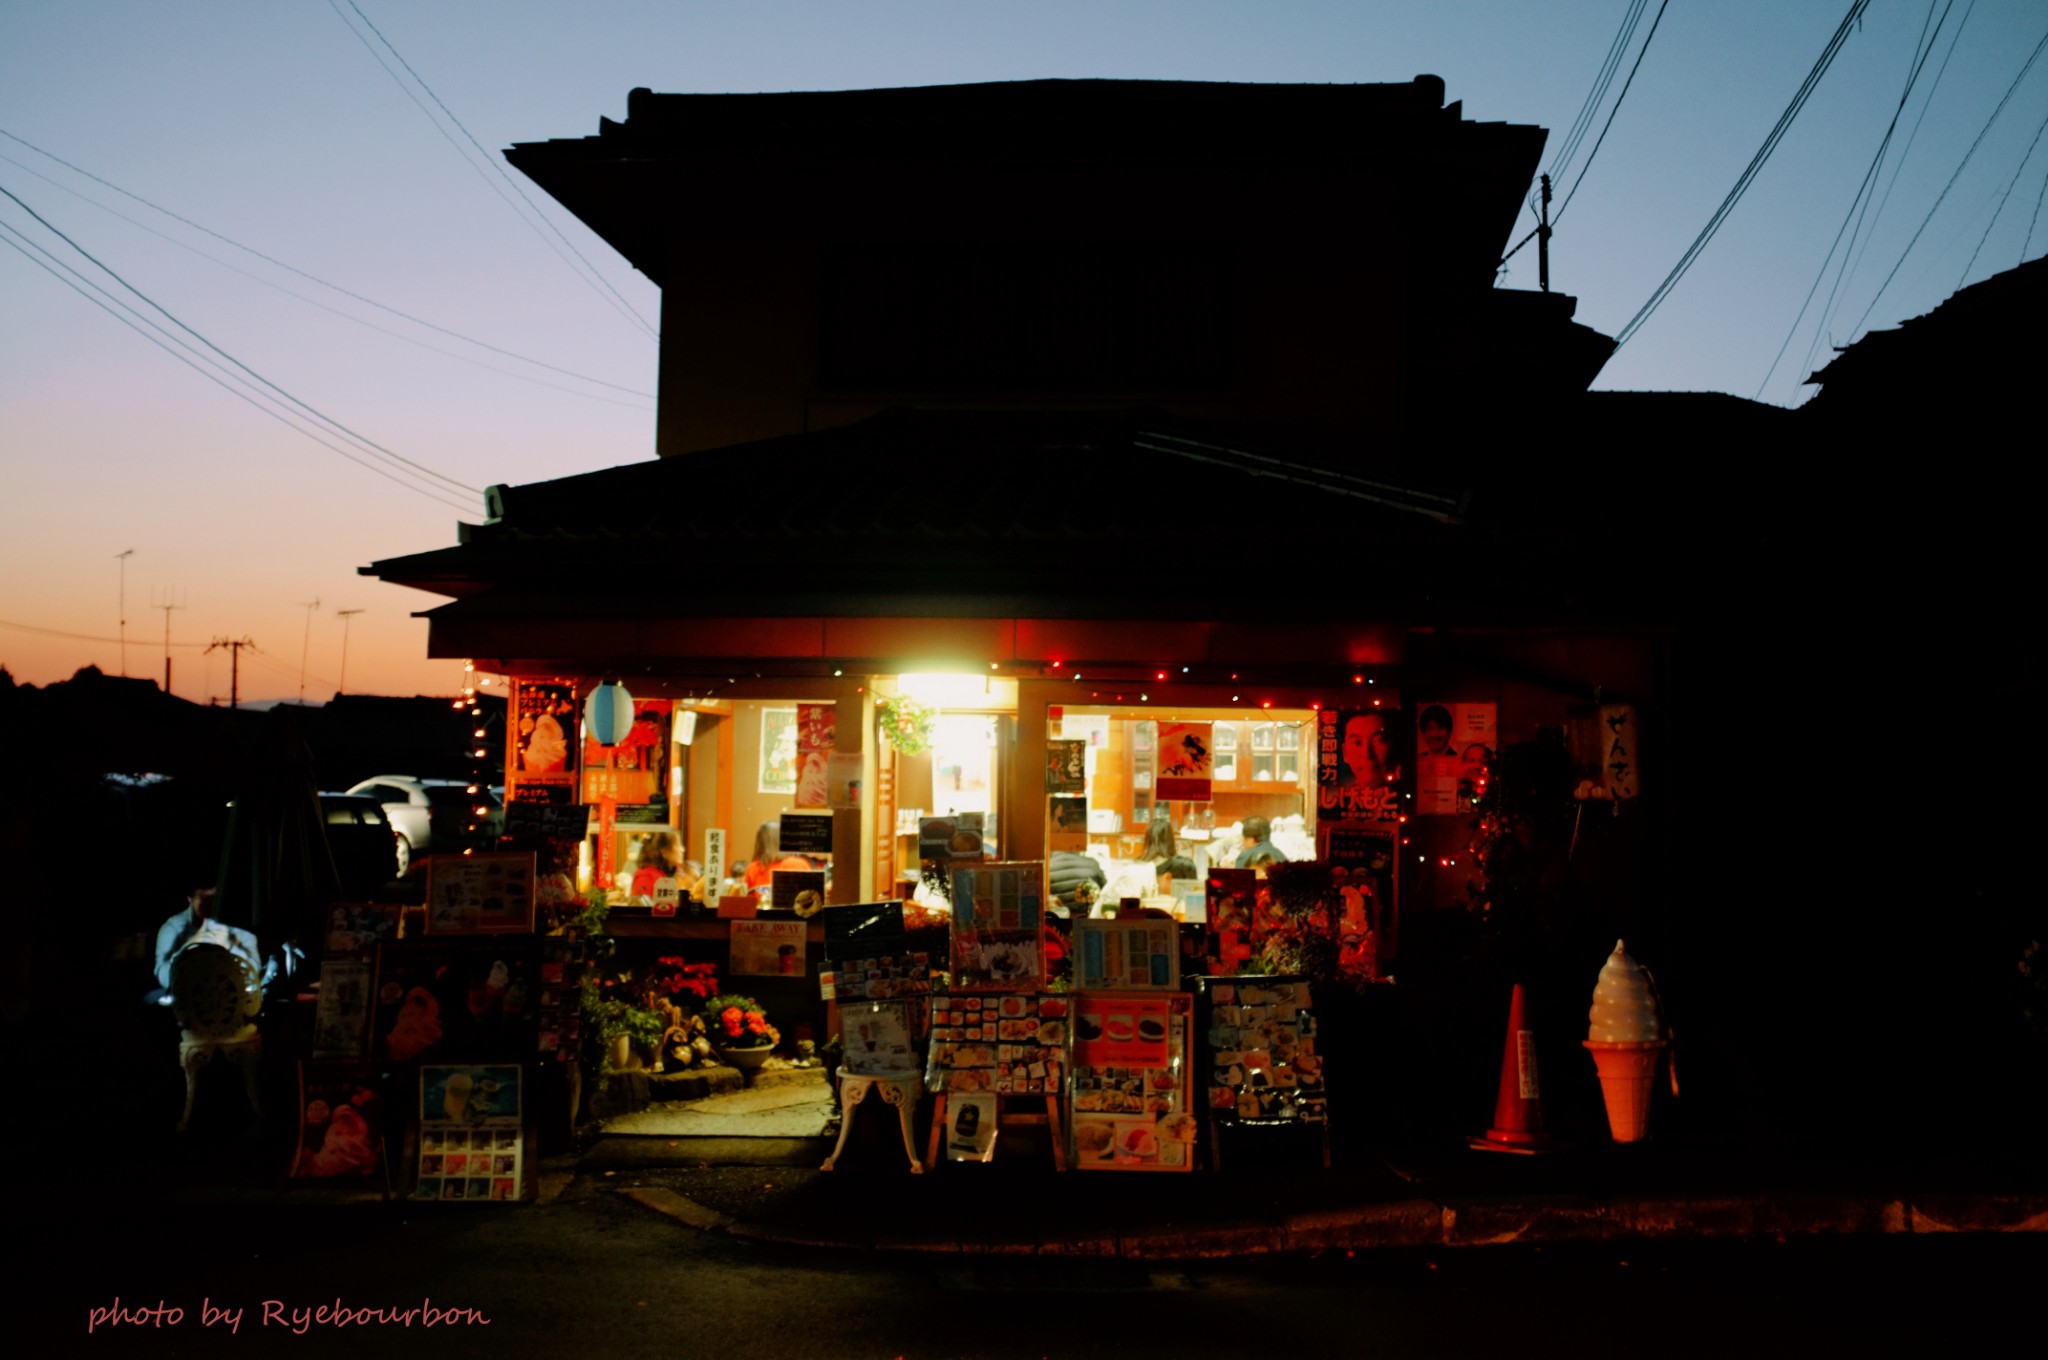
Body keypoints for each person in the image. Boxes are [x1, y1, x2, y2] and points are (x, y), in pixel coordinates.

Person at [149, 886, 268, 1005]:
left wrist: (232, 948)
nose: (211, 904)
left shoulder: (241, 927)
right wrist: (189, 945)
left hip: (229, 996)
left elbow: (254, 976)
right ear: (190, 899)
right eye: (203, 898)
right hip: (187, 996)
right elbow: (164, 979)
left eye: (215, 898)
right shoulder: (173, 927)